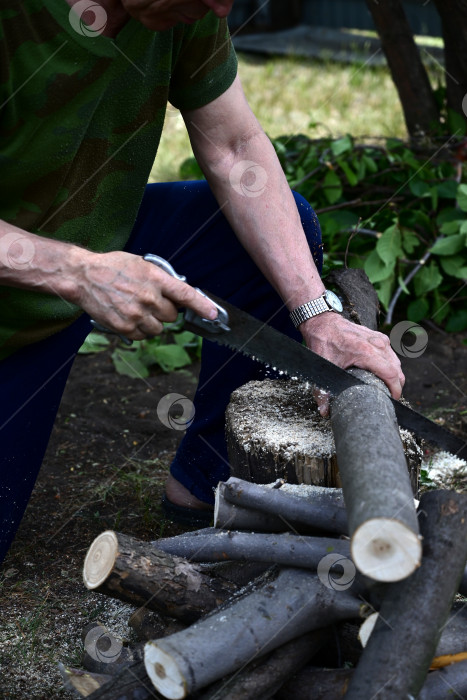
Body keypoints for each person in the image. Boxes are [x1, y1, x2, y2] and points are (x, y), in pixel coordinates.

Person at [0, 0, 404, 563]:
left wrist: (318, 314)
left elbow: (235, 146)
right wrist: (76, 271)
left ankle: (207, 483)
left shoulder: (187, 10)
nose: (221, 7)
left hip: (84, 230)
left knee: (274, 237)